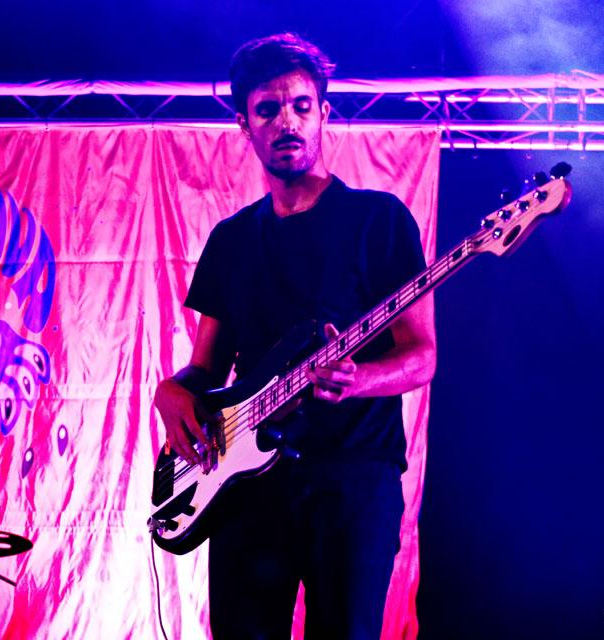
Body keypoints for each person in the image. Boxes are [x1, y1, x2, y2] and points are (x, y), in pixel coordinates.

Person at [153, 33, 436, 640]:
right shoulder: (231, 240)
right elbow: (206, 369)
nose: (287, 122)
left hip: (353, 476)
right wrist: (171, 391)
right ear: (244, 124)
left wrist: (358, 379)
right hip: (246, 484)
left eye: (302, 106)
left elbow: (422, 356)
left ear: (324, 113)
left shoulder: (378, 220)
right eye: (268, 110)